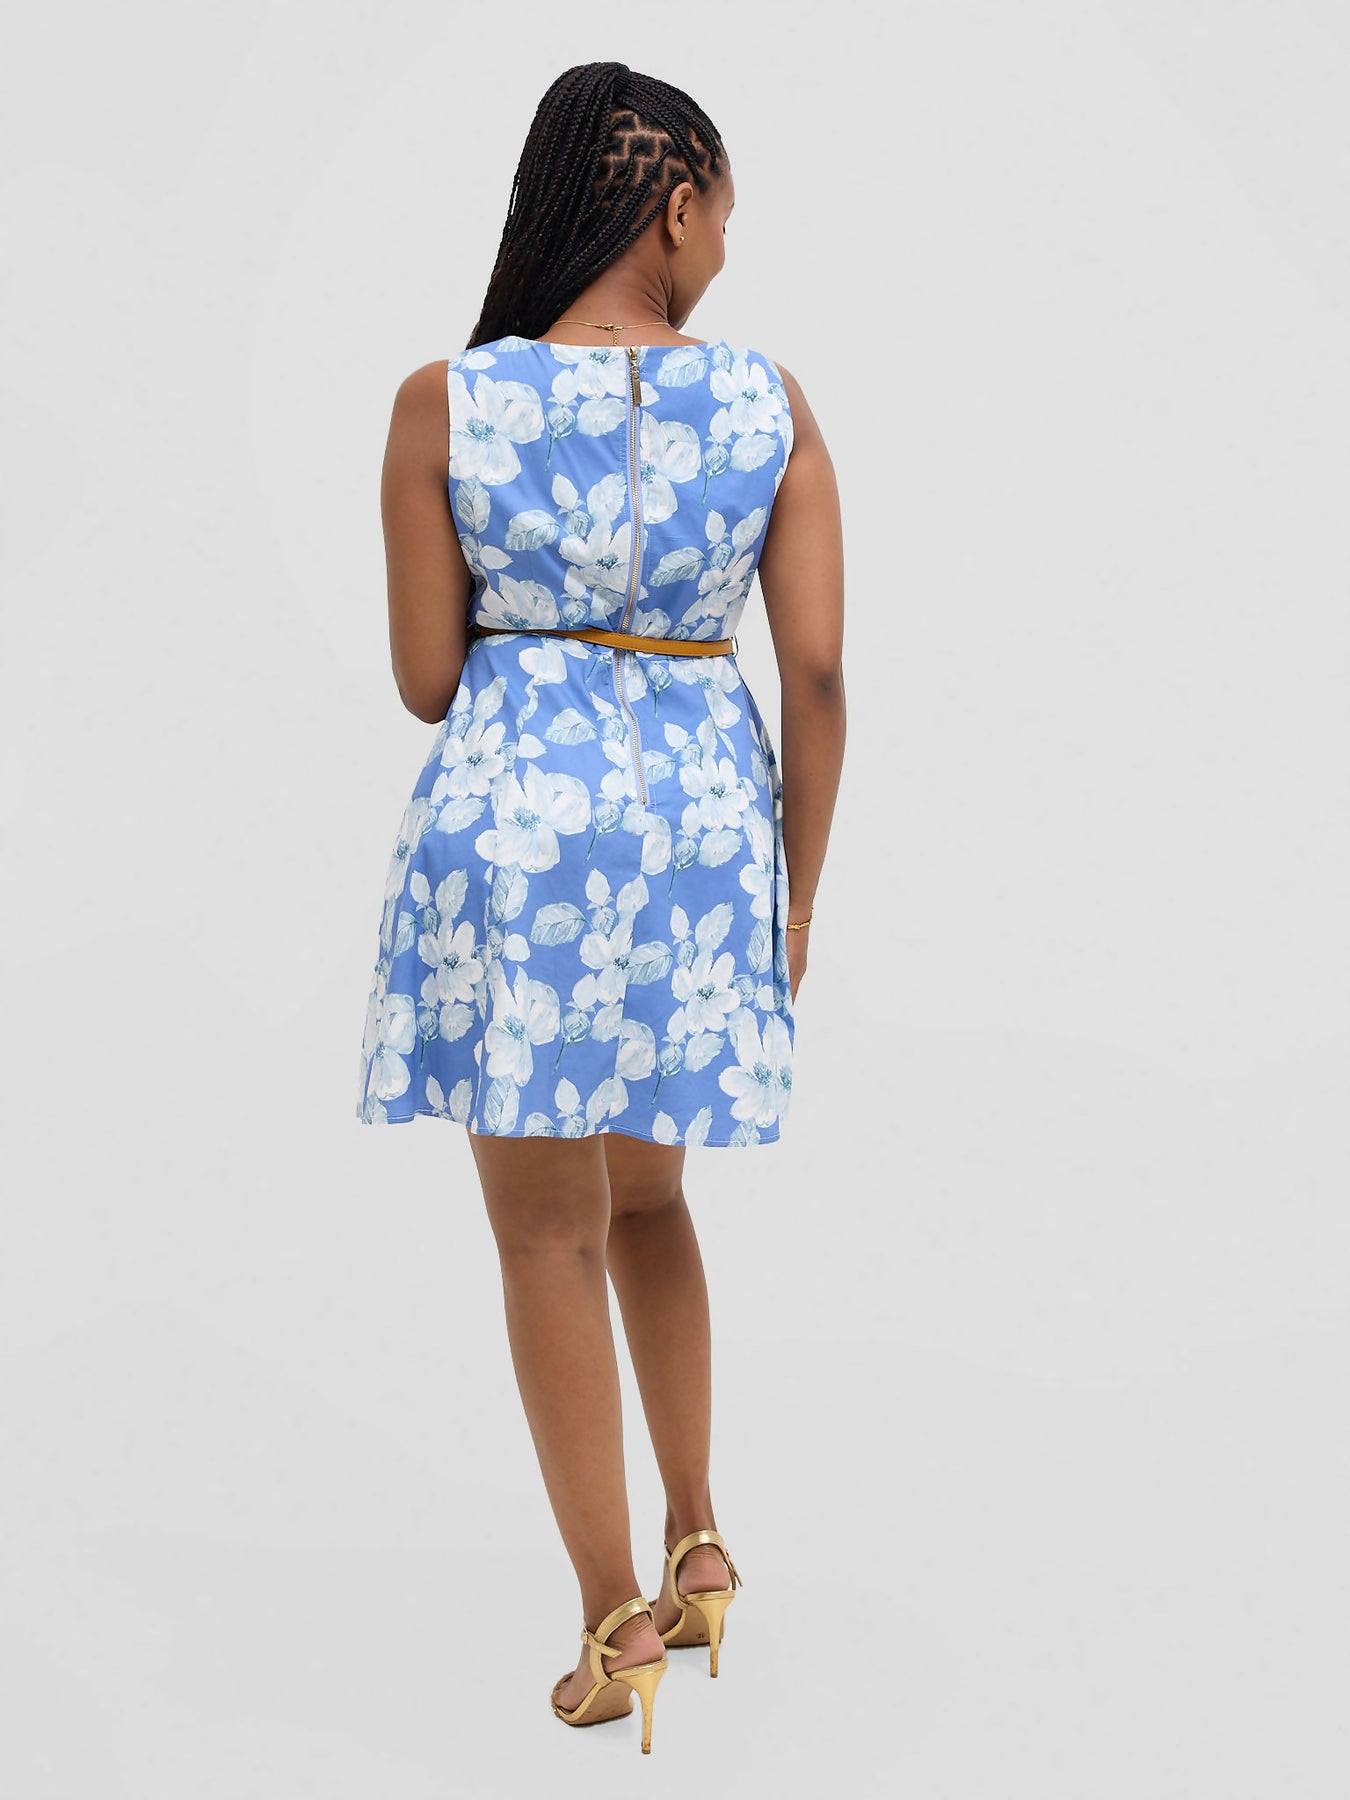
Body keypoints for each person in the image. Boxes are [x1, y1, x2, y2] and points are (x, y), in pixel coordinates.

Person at [355, 62, 845, 1753]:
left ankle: (611, 1616)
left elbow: (428, 680)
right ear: (677, 206)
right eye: (723, 217)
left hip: (517, 843)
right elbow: (819, 675)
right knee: (648, 1199)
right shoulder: (768, 402)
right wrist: (795, 906)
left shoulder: (444, 401)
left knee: (545, 1232)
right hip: (700, 843)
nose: (724, 250)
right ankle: (698, 1537)